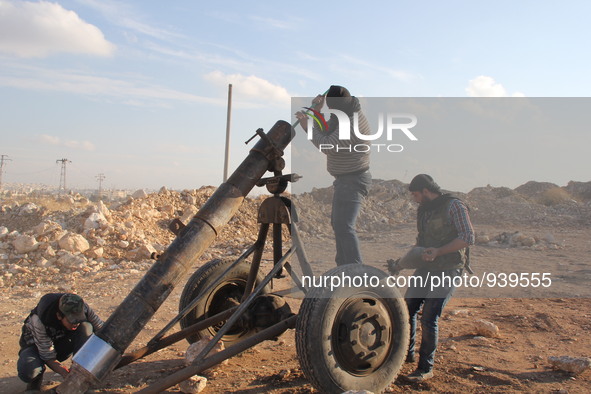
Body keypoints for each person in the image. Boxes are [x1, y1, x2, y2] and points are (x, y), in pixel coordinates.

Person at [388, 174, 475, 382]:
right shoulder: (424, 211)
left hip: (449, 268)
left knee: (429, 317)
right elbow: (421, 243)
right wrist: (401, 264)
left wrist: (439, 251)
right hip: (427, 268)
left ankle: (425, 368)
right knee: (406, 309)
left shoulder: (454, 206)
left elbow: (468, 237)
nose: (415, 199)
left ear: (426, 191)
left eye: (416, 195)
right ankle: (404, 355)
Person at [295, 85, 372, 266]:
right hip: (346, 179)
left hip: (353, 179)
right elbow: (327, 129)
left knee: (344, 227)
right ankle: (344, 268)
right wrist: (315, 111)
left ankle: (355, 271)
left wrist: (307, 127)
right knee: (339, 226)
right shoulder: (344, 114)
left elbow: (327, 144)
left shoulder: (351, 123)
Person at [17, 293, 104, 392]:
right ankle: (34, 383)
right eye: (72, 320)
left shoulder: (83, 308)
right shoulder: (39, 320)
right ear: (59, 315)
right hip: (36, 347)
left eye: (78, 320)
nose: (76, 323)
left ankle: (81, 369)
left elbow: (102, 330)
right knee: (29, 370)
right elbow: (48, 355)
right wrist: (66, 374)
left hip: (62, 344)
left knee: (86, 327)